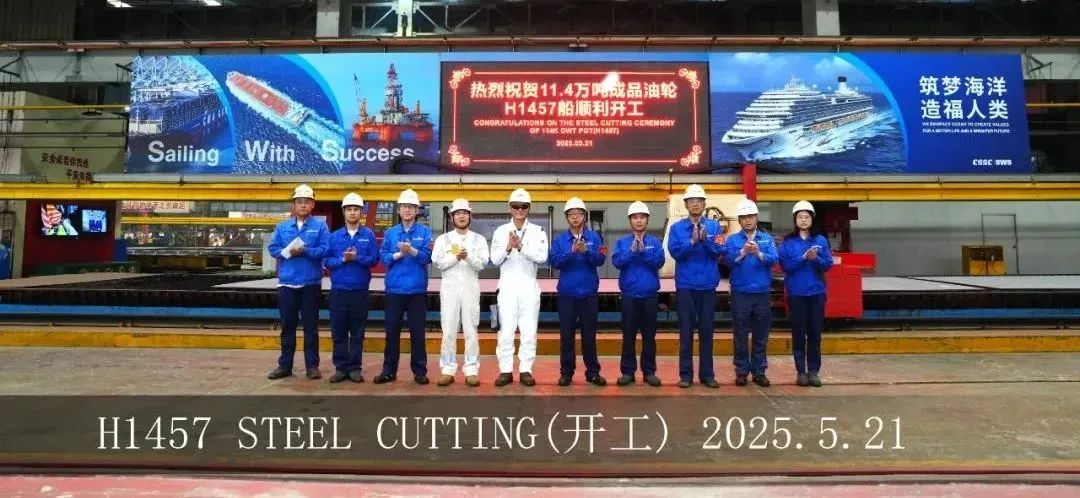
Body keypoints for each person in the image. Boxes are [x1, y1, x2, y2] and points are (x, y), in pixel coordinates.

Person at [266, 184, 330, 380]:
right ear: (293, 205)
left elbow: (326, 249)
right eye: (299, 202)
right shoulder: (282, 227)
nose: (303, 205)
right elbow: (273, 249)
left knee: (311, 328)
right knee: (288, 327)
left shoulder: (320, 226)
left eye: (307, 202)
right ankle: (285, 366)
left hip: (310, 283)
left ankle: (312, 367)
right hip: (287, 284)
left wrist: (306, 250)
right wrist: (287, 252)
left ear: (313, 205)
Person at [666, 184, 725, 389]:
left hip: (707, 286)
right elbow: (675, 253)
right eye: (692, 201)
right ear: (686, 204)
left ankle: (707, 375)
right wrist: (691, 242)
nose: (696, 204)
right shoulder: (677, 228)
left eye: (699, 200)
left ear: (704, 204)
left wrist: (705, 241)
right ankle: (686, 375)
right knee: (686, 332)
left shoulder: (715, 227)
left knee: (707, 331)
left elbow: (720, 250)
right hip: (686, 286)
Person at [489, 188, 548, 387]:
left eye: (523, 206)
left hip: (529, 287)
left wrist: (521, 247)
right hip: (507, 289)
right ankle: (505, 370)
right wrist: (508, 247)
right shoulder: (500, 231)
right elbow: (495, 259)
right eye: (516, 206)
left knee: (529, 331)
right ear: (510, 208)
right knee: (505, 331)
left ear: (529, 208)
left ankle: (526, 370)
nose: (519, 209)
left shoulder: (538, 231)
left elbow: (542, 257)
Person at [376, 189, 433, 385]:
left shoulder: (424, 232)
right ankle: (388, 371)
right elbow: (384, 258)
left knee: (418, 334)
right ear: (399, 210)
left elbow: (427, 258)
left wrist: (412, 251)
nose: (407, 210)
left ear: (417, 210)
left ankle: (419, 371)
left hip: (417, 290)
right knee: (392, 332)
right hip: (395, 290)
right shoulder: (390, 233)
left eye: (411, 207)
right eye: (404, 207)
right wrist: (399, 254)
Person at [549, 197, 607, 387]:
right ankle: (566, 373)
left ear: (584, 216)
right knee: (567, 336)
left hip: (589, 294)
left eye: (579, 213)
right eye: (571, 214)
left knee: (589, 336)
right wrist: (572, 252)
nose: (575, 217)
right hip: (567, 295)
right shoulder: (559, 240)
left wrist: (586, 252)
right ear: (567, 217)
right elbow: (554, 262)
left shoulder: (595, 238)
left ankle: (593, 372)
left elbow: (601, 259)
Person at [432, 198, 490, 387]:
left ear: (470, 216)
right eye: (458, 213)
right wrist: (456, 258)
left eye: (465, 213)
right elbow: (438, 263)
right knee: (448, 331)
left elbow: (482, 264)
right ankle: (447, 369)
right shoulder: (443, 239)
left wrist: (468, 257)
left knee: (471, 330)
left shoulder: (479, 239)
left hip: (470, 289)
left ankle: (471, 369)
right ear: (452, 217)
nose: (461, 216)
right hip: (449, 290)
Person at [723, 198, 779, 387]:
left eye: (751, 216)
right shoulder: (733, 240)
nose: (748, 220)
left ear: (756, 218)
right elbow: (727, 261)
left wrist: (758, 253)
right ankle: (741, 371)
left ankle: (759, 371)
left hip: (762, 293)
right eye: (744, 217)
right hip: (741, 293)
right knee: (740, 335)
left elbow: (774, 259)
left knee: (761, 335)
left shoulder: (766, 239)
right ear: (739, 220)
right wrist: (743, 252)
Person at [324, 193, 379, 384]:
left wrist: (357, 258)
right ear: (344, 212)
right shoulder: (334, 236)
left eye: (356, 209)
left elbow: (374, 259)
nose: (353, 212)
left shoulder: (368, 235)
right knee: (338, 332)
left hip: (359, 291)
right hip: (339, 291)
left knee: (357, 332)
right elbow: (327, 261)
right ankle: (340, 368)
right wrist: (342, 259)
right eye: (349, 209)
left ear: (361, 212)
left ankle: (355, 368)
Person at [779, 200, 834, 387]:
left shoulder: (820, 241)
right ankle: (801, 371)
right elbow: (785, 266)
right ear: (795, 220)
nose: (803, 220)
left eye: (807, 217)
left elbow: (827, 264)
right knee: (798, 334)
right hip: (796, 295)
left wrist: (816, 258)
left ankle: (813, 371)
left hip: (816, 294)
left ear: (812, 219)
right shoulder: (788, 242)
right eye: (800, 217)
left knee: (815, 335)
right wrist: (803, 258)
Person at [612, 201, 665, 387]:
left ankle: (649, 372)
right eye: (635, 217)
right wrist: (632, 252)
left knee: (649, 337)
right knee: (628, 336)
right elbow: (617, 262)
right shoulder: (622, 243)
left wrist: (644, 253)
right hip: (629, 297)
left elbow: (659, 262)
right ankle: (628, 372)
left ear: (647, 220)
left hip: (649, 297)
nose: (639, 220)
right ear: (630, 220)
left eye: (642, 217)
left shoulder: (655, 243)